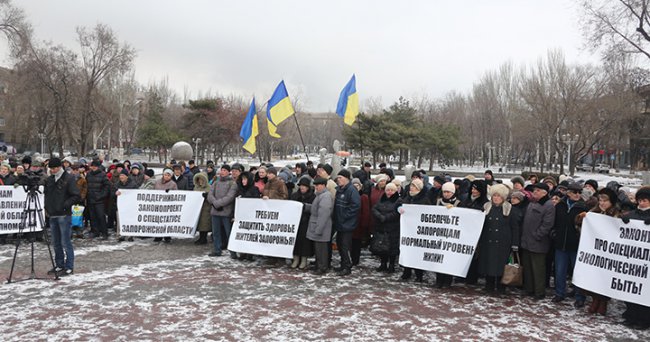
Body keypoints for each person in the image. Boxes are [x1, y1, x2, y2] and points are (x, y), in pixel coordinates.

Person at [577, 187, 619, 316]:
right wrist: (581, 218)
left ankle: (603, 302)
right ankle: (595, 300)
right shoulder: (594, 212)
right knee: (594, 277)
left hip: (609, 253)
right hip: (595, 251)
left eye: (605, 201)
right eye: (600, 200)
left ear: (611, 202)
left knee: (605, 278)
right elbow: (579, 226)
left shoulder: (617, 214)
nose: (602, 203)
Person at [551, 182, 588, 307]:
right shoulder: (560, 205)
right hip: (561, 243)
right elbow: (555, 222)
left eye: (579, 192)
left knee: (577, 272)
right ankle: (559, 293)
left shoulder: (583, 207)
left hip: (576, 245)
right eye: (574, 192)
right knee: (560, 271)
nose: (577, 195)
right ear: (568, 192)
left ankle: (580, 296)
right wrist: (554, 233)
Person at [478, 184, 520, 293]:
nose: (496, 198)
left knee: (501, 265)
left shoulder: (509, 209)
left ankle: (501, 287)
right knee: (488, 264)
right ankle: (489, 285)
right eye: (494, 195)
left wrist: (515, 243)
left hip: (503, 242)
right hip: (488, 240)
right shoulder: (486, 207)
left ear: (503, 197)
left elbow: (515, 228)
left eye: (499, 196)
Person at [44, 158, 80, 276]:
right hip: (53, 214)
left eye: (54, 168)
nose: (53, 170)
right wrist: (47, 207)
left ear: (60, 167)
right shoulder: (49, 179)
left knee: (65, 241)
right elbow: (47, 195)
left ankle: (69, 266)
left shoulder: (68, 178)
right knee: (56, 242)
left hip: (64, 214)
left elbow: (76, 195)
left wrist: (65, 205)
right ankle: (59, 265)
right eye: (51, 168)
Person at [620, 186, 650, 330]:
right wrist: (625, 219)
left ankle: (644, 319)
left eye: (645, 200)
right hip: (632, 259)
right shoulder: (634, 213)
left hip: (646, 261)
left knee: (644, 291)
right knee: (631, 289)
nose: (642, 203)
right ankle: (631, 315)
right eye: (640, 200)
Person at [520, 183, 556, 300]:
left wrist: (537, 235)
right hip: (526, 241)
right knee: (528, 267)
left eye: (537, 190)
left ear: (544, 193)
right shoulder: (532, 202)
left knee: (538, 269)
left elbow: (547, 224)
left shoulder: (548, 205)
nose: (534, 192)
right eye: (534, 190)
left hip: (538, 242)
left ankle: (539, 292)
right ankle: (529, 289)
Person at [399, 178, 431, 282]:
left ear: (418, 188)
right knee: (407, 250)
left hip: (419, 231)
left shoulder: (424, 199)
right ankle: (406, 271)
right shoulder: (407, 197)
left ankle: (419, 274)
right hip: (408, 230)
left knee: (418, 252)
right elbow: (400, 206)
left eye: (413, 186)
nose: (411, 187)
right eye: (411, 185)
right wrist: (399, 209)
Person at [459, 180, 489, 284]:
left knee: (474, 257)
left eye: (476, 189)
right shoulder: (466, 200)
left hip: (476, 234)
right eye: (472, 188)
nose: (473, 191)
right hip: (464, 232)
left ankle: (472, 277)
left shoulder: (484, 203)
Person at [332, 169, 361, 276]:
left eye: (340, 178)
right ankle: (343, 264)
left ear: (347, 178)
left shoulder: (352, 190)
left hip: (347, 224)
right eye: (338, 178)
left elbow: (355, 206)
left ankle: (347, 267)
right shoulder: (340, 189)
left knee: (345, 246)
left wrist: (344, 216)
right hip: (339, 222)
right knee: (339, 244)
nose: (338, 180)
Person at [434, 182, 461, 288]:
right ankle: (438, 279)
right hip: (439, 234)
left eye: (448, 192)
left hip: (451, 235)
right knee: (438, 258)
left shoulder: (458, 203)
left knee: (448, 259)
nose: (446, 194)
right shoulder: (437, 202)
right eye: (444, 192)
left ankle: (447, 281)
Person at [207, 165, 237, 257]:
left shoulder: (232, 183)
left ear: (228, 172)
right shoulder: (215, 182)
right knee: (216, 233)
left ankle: (233, 251)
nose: (222, 172)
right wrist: (215, 203)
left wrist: (218, 204)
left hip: (226, 212)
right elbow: (210, 194)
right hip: (215, 212)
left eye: (224, 170)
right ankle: (217, 250)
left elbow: (230, 197)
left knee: (229, 233)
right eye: (221, 170)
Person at [371, 182, 402, 273]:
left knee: (392, 248)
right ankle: (383, 263)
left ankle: (391, 265)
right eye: (388, 190)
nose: (389, 192)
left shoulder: (398, 200)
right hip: (381, 226)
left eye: (392, 190)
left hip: (393, 228)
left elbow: (396, 213)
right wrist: (379, 216)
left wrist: (385, 217)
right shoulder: (382, 198)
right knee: (382, 247)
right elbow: (374, 208)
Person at [308, 177, 334, 275]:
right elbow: (316, 208)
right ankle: (319, 265)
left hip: (321, 227)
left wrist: (319, 229)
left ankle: (322, 267)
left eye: (317, 185)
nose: (316, 187)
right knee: (318, 248)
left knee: (322, 249)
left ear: (323, 185)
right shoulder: (321, 195)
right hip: (319, 226)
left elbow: (324, 214)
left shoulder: (325, 196)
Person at [234, 171, 261, 260]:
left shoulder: (254, 189)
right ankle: (243, 252)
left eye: (245, 179)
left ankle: (250, 253)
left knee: (250, 235)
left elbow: (256, 202)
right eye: (242, 179)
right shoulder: (240, 189)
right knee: (242, 235)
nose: (243, 181)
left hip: (251, 216)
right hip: (242, 216)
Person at [290, 177, 315, 269]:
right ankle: (295, 258)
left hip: (306, 222)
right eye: (301, 186)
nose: (302, 188)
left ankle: (304, 259)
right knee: (295, 241)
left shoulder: (312, 196)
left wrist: (305, 207)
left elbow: (314, 208)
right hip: (295, 221)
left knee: (305, 242)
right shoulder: (294, 195)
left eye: (304, 186)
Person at [86, 160, 111, 240]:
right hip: (90, 198)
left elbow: (107, 186)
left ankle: (104, 232)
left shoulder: (103, 175)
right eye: (92, 166)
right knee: (92, 217)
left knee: (101, 216)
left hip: (99, 199)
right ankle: (95, 231)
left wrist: (101, 195)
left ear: (98, 167)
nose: (93, 168)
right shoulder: (88, 174)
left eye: (95, 166)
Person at [153, 168, 178, 243]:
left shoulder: (173, 184)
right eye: (165, 175)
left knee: (166, 221)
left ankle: (167, 236)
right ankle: (158, 236)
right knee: (158, 220)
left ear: (171, 176)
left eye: (168, 175)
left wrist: (170, 193)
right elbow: (152, 192)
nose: (166, 176)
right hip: (158, 205)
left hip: (167, 206)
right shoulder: (157, 182)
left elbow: (177, 194)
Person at [351, 178, 371, 266]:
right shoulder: (350, 195)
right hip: (350, 223)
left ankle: (355, 260)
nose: (356, 187)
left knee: (356, 243)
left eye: (357, 185)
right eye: (354, 185)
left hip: (359, 224)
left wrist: (364, 224)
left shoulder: (363, 197)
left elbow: (366, 212)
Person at [115, 169, 138, 242]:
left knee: (130, 220)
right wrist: (115, 193)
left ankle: (130, 235)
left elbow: (137, 193)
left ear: (127, 176)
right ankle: (120, 234)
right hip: (120, 206)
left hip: (130, 206)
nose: (121, 177)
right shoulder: (117, 184)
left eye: (123, 175)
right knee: (120, 220)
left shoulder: (133, 184)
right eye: (120, 175)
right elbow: (112, 192)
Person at [193, 172, 212, 245]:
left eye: (202, 179)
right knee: (200, 224)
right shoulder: (196, 188)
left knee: (204, 224)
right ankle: (201, 237)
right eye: (199, 179)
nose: (200, 181)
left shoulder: (209, 187)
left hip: (206, 208)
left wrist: (207, 196)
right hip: (198, 208)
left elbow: (212, 198)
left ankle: (203, 238)